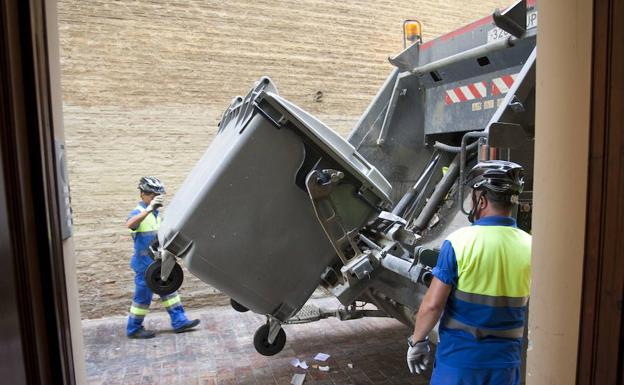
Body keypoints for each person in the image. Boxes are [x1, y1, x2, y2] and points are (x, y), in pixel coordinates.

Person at [406, 160, 531, 385]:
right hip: (505, 364)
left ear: (481, 199)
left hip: (459, 362)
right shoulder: (532, 246)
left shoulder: (458, 242)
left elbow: (433, 305)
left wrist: (417, 341)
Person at [125, 176, 200, 339]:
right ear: (143, 194)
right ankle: (133, 329)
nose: (155, 198)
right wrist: (149, 209)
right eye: (152, 195)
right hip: (144, 265)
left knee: (169, 292)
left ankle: (180, 322)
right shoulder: (139, 213)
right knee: (142, 299)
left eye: (157, 195)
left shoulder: (156, 215)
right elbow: (130, 224)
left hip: (158, 264)